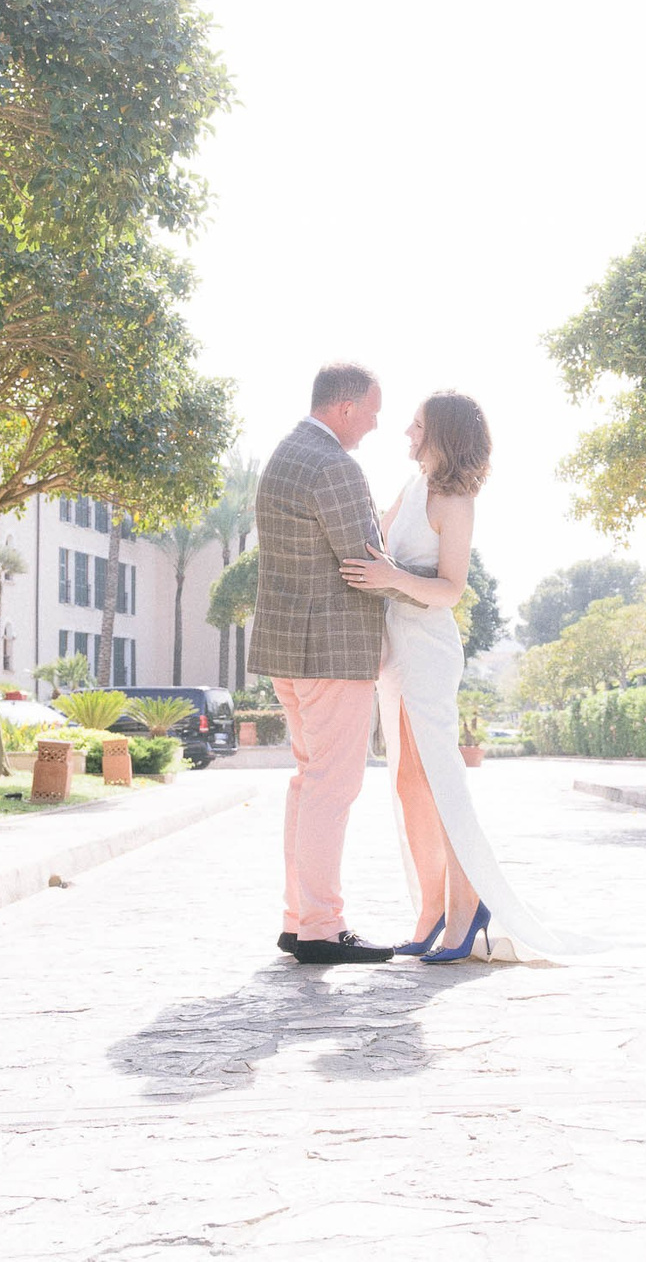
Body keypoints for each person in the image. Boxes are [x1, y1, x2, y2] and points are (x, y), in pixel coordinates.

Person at [343, 390, 603, 964]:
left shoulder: (454, 501)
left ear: (442, 435)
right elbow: (376, 544)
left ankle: (466, 905)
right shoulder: (414, 487)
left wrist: (391, 576)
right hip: (394, 645)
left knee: (439, 779)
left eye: (415, 427)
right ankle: (430, 908)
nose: (406, 435)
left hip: (428, 647)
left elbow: (451, 590)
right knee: (409, 780)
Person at [252, 362, 396, 965]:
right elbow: (365, 560)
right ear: (344, 408)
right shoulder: (335, 464)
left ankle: (300, 917)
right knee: (332, 789)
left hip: (292, 651)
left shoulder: (286, 453)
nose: (374, 425)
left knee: (311, 784)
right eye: (372, 412)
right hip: (333, 653)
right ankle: (319, 925)